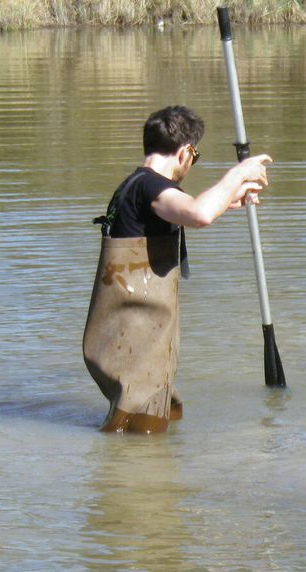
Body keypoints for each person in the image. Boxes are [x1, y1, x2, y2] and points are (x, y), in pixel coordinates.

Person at [83, 105, 272, 434]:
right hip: (138, 340)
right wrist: (238, 173)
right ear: (186, 152)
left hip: (133, 339)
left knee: (146, 423)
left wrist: (231, 198)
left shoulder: (134, 187)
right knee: (143, 435)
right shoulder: (151, 188)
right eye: (195, 157)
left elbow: (183, 213)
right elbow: (199, 214)